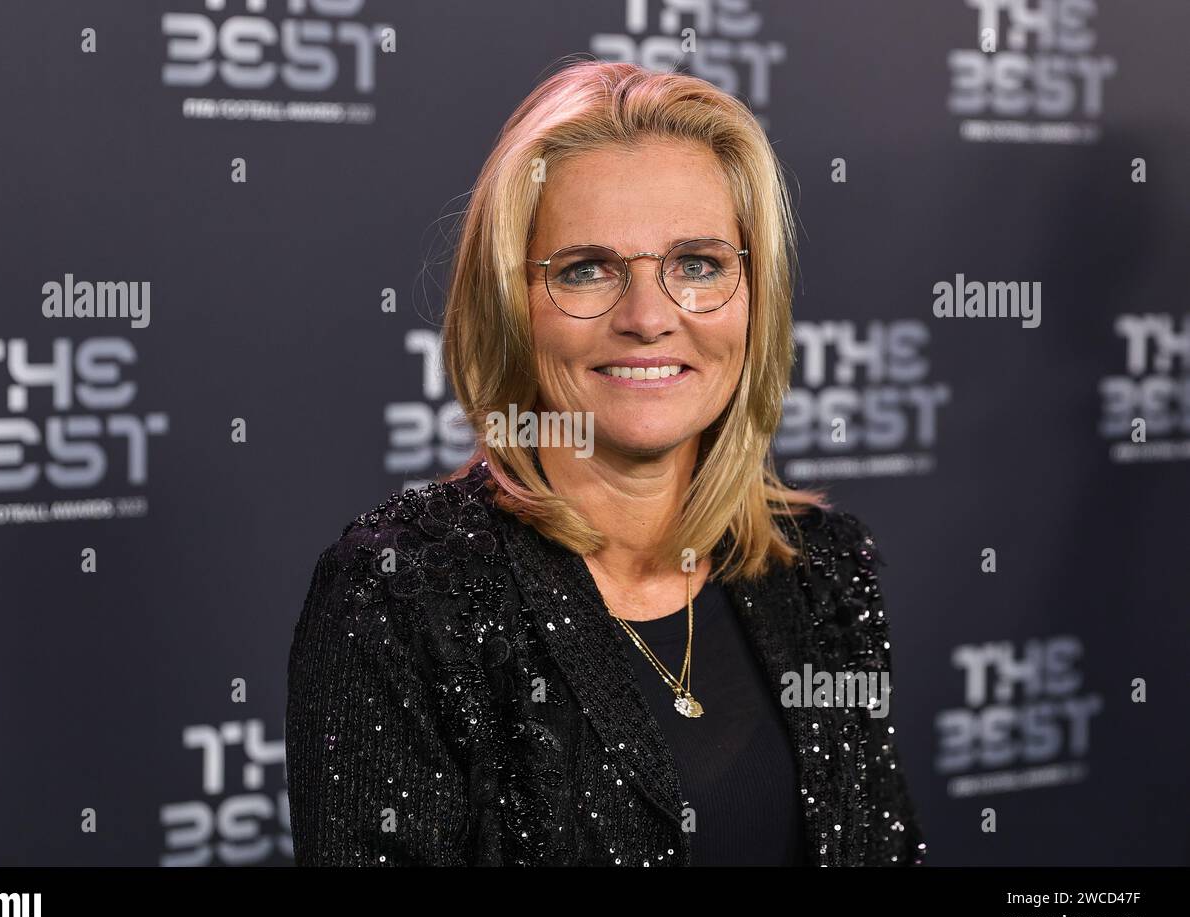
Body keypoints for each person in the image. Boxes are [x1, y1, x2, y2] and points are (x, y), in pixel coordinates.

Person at [286, 58, 926, 866]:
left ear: (756, 296)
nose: (649, 317)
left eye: (697, 264)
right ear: (507, 306)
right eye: (587, 270)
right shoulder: (404, 595)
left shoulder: (823, 568)